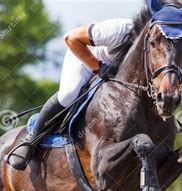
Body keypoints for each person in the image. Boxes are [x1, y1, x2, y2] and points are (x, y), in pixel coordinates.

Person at [7, 18, 134, 170]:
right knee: (68, 95)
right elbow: (71, 38)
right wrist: (98, 67)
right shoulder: (122, 29)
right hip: (86, 58)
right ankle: (30, 140)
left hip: (115, 74)